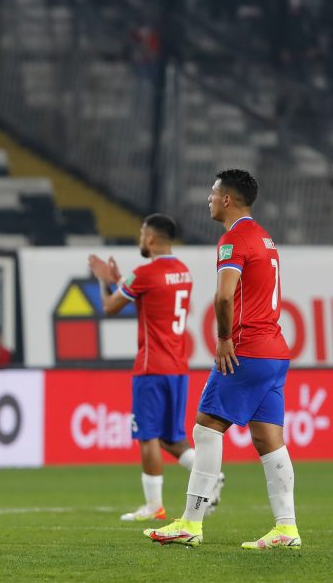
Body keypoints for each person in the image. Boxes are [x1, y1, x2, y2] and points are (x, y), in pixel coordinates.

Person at [145, 170, 301, 550]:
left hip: (246, 348)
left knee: (206, 427)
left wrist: (224, 338)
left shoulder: (234, 239)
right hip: (275, 352)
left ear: (228, 199)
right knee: (268, 439)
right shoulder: (264, 237)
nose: (209, 199)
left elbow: (224, 297)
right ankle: (286, 528)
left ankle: (190, 523)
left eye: (213, 193)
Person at [89, 214, 222, 523]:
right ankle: (212, 475)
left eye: (141, 234)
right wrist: (120, 281)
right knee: (170, 438)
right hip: (177, 367)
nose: (139, 239)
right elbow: (149, 293)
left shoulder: (145, 273)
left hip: (151, 367)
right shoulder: (183, 272)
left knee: (147, 436)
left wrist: (102, 281)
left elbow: (109, 307)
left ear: (150, 238)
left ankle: (153, 506)